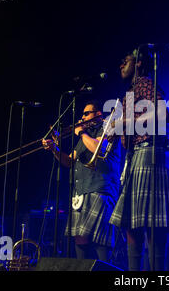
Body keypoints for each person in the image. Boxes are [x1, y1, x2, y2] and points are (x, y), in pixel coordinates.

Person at [109, 48, 169, 271]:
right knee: (132, 224)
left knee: (152, 223)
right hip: (137, 154)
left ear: (139, 64)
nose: (121, 65)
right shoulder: (132, 92)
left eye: (126, 60)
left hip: (149, 152)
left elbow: (163, 114)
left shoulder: (144, 82)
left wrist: (123, 123)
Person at [42, 101, 121, 262]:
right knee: (79, 237)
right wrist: (54, 150)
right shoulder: (85, 135)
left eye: (87, 113)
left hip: (100, 189)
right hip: (81, 192)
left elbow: (98, 147)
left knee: (100, 237)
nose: (82, 117)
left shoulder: (107, 127)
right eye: (82, 114)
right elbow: (69, 161)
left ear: (98, 114)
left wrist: (81, 133)